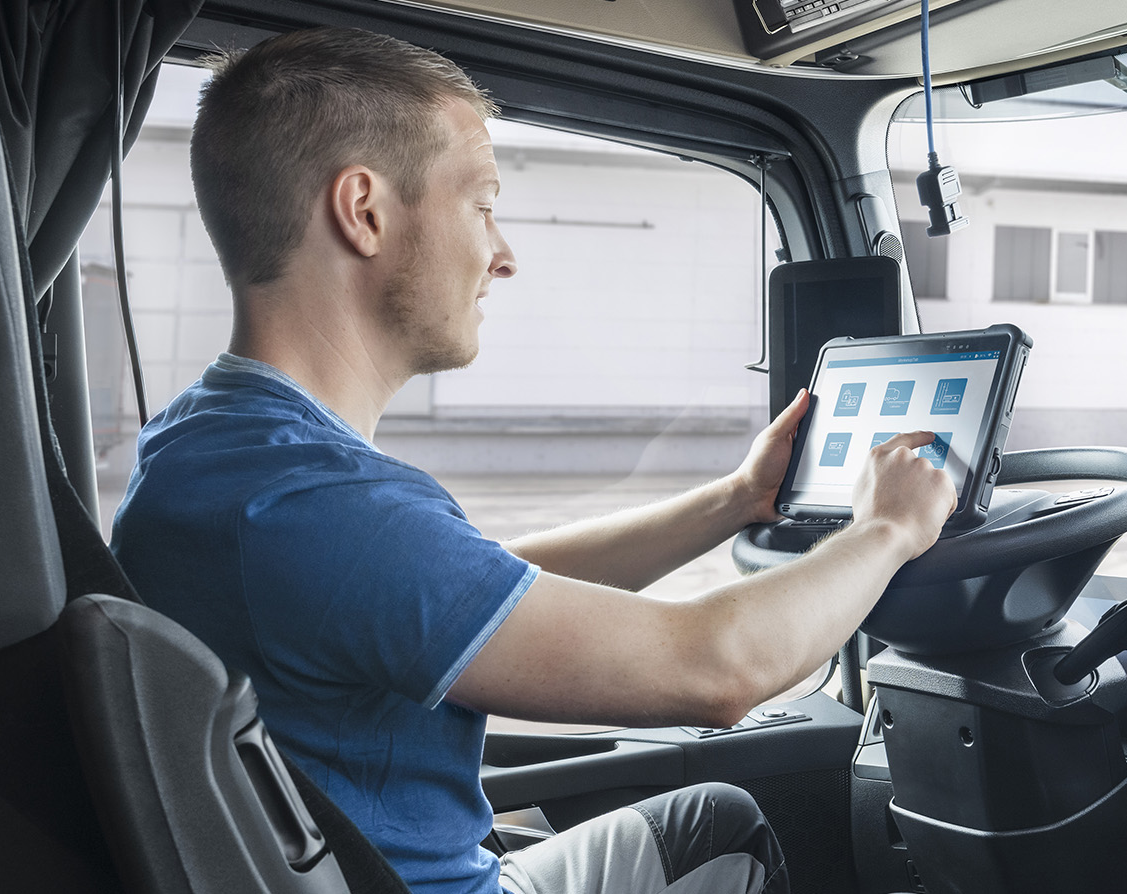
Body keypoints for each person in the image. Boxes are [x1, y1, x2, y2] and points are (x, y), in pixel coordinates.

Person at [108, 27, 956, 894]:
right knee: (722, 827)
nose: (503, 253)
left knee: (702, 816)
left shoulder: (208, 445)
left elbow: (472, 587)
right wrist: (889, 528)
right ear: (363, 211)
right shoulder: (321, 507)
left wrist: (736, 499)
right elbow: (717, 667)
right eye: (480, 205)